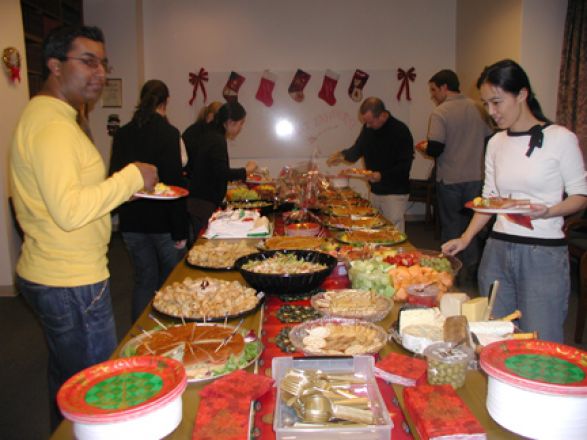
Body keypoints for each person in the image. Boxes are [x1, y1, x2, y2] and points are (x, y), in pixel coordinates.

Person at [9, 25, 158, 430]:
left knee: (68, 379)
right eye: (87, 61)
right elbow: (70, 210)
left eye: (103, 64)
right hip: (70, 280)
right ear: (55, 66)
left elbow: (72, 196)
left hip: (59, 273)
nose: (100, 73)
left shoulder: (55, 116)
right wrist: (130, 177)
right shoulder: (53, 125)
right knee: (96, 391)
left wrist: (115, 192)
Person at [442, 59, 587, 343]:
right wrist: (466, 237)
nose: (491, 112)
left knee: (541, 338)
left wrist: (549, 211)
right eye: (486, 104)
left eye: (497, 102)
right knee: (495, 334)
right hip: (497, 249)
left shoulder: (560, 139)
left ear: (521, 94)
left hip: (542, 253)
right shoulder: (496, 143)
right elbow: (490, 199)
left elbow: (581, 196)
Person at [109, 80, 189, 322]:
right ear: (165, 102)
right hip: (163, 222)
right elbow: (175, 184)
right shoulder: (169, 133)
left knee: (144, 280)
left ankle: (141, 335)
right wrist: (180, 231)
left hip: (132, 221)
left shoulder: (123, 133)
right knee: (170, 282)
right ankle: (167, 334)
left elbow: (115, 177)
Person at [416, 69, 493, 281]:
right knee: (473, 225)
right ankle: (474, 267)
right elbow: (490, 140)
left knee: (452, 225)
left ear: (444, 87)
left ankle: (455, 273)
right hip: (476, 177)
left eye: (433, 90)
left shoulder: (441, 112)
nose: (433, 95)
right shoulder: (479, 107)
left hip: (450, 179)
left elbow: (435, 149)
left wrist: (425, 148)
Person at [327, 97, 414, 232]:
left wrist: (381, 175)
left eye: (370, 122)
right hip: (375, 190)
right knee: (374, 230)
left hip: (394, 193)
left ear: (383, 115)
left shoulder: (400, 131)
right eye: (365, 122)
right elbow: (358, 148)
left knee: (393, 233)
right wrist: (342, 154)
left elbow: (404, 166)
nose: (367, 126)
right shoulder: (368, 128)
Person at [186, 101, 257, 236]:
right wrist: (246, 170)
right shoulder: (216, 139)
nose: (241, 127)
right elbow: (222, 172)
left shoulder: (211, 134)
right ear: (230, 122)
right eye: (241, 123)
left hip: (199, 201)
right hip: (203, 203)